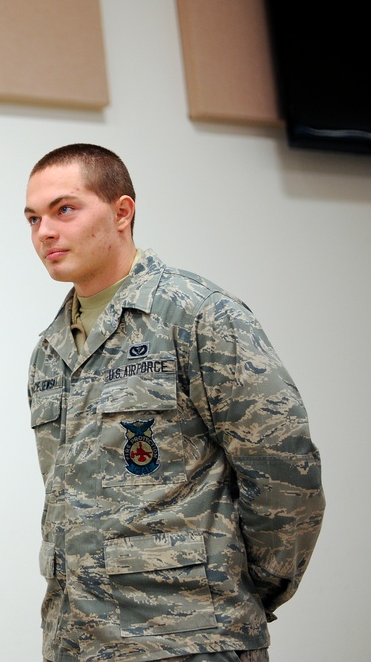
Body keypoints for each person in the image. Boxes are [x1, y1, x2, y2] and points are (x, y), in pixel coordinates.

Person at [23, 144, 324, 662]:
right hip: (78, 642)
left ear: (122, 212)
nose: (44, 232)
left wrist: (241, 587)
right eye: (33, 218)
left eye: (64, 209)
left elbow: (283, 469)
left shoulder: (197, 315)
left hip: (190, 638)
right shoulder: (49, 351)